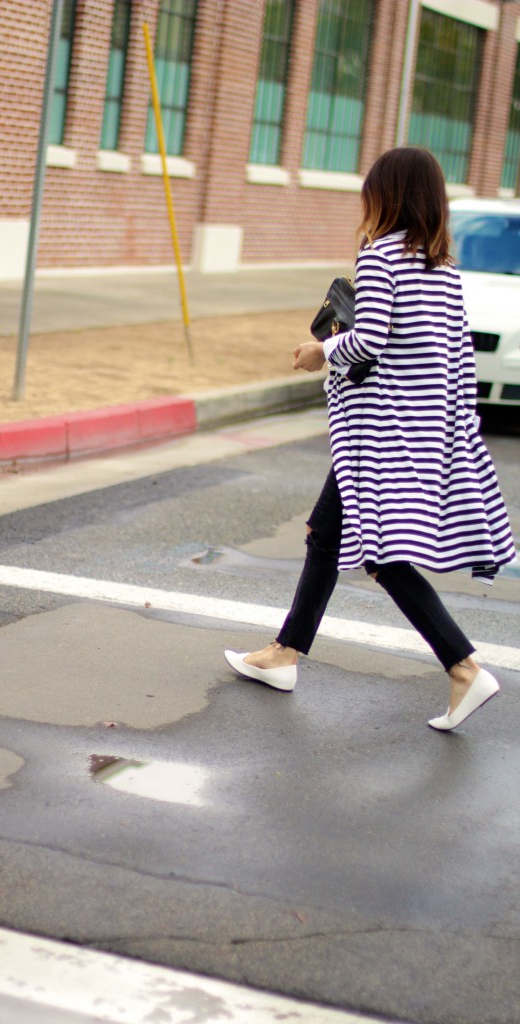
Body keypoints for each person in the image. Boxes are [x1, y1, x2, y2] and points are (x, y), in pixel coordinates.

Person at [224, 147, 516, 732]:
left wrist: (320, 351)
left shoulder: (382, 256)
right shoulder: (444, 268)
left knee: (381, 554)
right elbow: (456, 360)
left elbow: (369, 341)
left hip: (379, 432)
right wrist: (455, 430)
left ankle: (464, 667)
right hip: (421, 427)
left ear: (387, 195)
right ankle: (284, 654)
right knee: (324, 534)